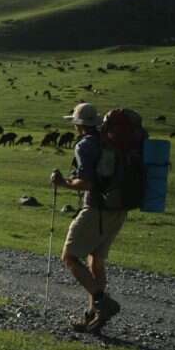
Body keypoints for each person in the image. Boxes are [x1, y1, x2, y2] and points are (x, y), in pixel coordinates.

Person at [50, 102, 126, 333]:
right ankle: (93, 317)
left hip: (96, 209)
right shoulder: (111, 142)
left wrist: (63, 183)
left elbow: (87, 183)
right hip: (119, 208)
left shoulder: (86, 145)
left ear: (78, 125)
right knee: (96, 260)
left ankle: (103, 302)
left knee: (70, 257)